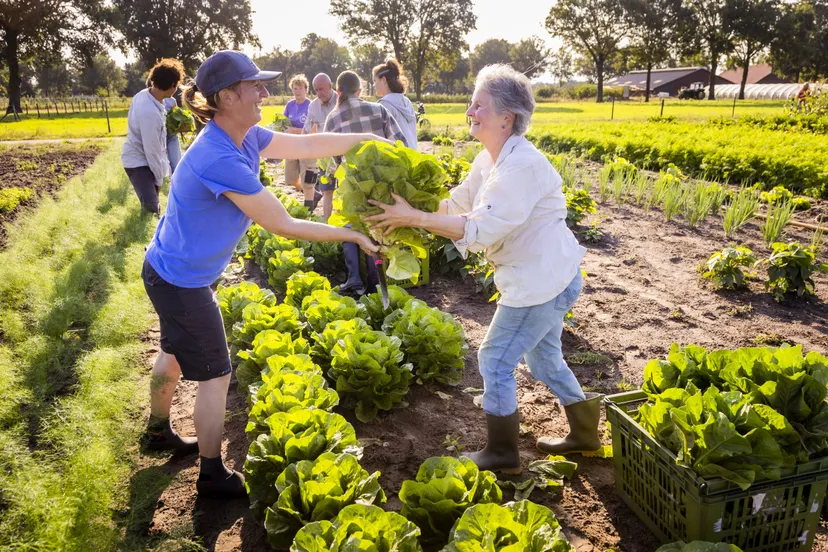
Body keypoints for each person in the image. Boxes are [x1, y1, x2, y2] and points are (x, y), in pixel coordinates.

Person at [140, 50, 380, 499]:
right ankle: (212, 474)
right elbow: (282, 224)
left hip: (169, 269)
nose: (266, 94)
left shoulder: (244, 136)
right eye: (256, 87)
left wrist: (369, 139)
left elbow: (307, 146)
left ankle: (156, 431)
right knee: (216, 375)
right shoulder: (217, 155)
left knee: (172, 353)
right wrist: (353, 233)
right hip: (181, 282)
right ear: (228, 97)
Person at [364, 64, 597, 473]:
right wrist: (403, 208)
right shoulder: (488, 160)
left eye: (478, 105)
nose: (470, 112)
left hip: (540, 281)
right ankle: (585, 434)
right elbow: (455, 207)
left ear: (507, 117)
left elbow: (478, 228)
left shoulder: (520, 166)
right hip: (546, 276)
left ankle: (503, 453)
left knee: (493, 358)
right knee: (543, 362)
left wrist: (412, 218)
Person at [324, 70, 408, 296]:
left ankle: (354, 280)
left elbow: (331, 158)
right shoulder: (379, 109)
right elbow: (400, 144)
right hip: (380, 183)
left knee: (349, 225)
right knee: (375, 228)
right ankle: (375, 285)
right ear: (360, 91)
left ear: (338, 92)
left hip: (351, 184)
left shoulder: (332, 117)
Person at [122, 58, 185, 214]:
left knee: (153, 207)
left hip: (144, 158)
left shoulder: (145, 95)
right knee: (151, 209)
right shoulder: (150, 113)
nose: (176, 90)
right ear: (171, 86)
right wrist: (158, 181)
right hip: (139, 162)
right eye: (176, 86)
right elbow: (152, 151)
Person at [301, 73, 338, 215]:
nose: (318, 93)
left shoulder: (341, 101)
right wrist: (300, 146)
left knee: (345, 191)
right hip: (326, 156)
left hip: (344, 153)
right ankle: (329, 224)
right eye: (316, 90)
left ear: (330, 86)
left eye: (321, 89)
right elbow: (307, 129)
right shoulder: (313, 106)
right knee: (327, 190)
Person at [373, 58, 417, 149]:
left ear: (384, 80)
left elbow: (380, 139)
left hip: (398, 158)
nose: (374, 85)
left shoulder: (383, 105)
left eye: (375, 81)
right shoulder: (407, 101)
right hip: (413, 154)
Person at [282, 74, 312, 191]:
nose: (298, 91)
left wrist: (294, 130)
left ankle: (310, 194)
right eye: (295, 88)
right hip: (291, 145)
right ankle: (310, 193)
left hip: (306, 145)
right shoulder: (290, 105)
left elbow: (312, 130)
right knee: (290, 179)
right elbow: (283, 122)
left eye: (301, 88)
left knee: (307, 177)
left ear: (306, 90)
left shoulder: (311, 105)